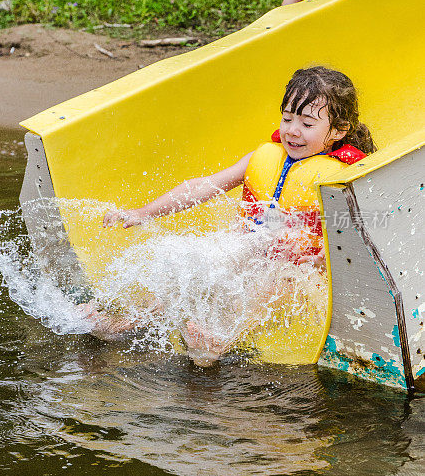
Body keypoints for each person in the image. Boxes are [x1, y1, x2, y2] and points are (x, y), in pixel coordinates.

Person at [86, 66, 375, 362]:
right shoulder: (264, 158)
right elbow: (202, 187)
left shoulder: (343, 178)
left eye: (307, 124)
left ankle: (219, 343)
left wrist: (321, 258)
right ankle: (126, 324)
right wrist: (144, 212)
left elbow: (359, 234)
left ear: (338, 130)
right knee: (193, 266)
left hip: (305, 270)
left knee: (275, 284)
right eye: (287, 118)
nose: (292, 130)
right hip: (254, 247)